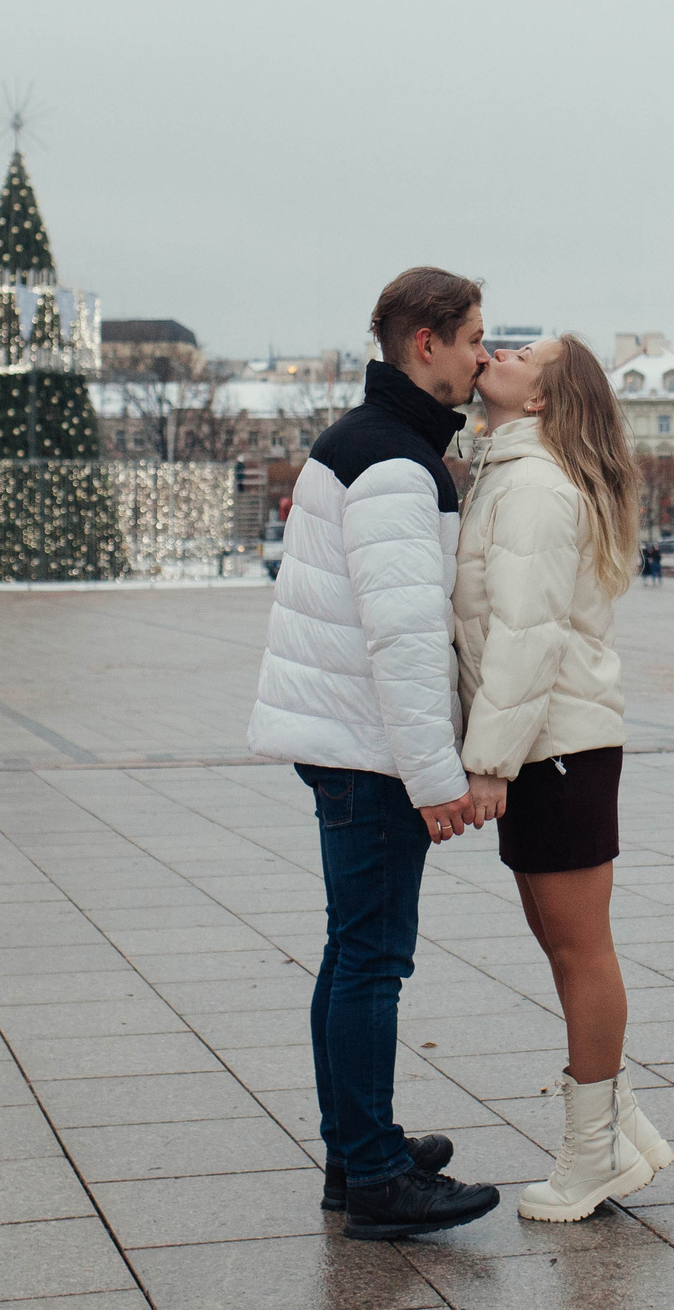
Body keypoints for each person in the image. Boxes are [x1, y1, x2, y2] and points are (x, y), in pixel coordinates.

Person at [248, 267, 501, 1241]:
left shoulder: (360, 441)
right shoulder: (397, 463)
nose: (484, 355)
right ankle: (377, 1180)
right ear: (426, 343)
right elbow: (403, 641)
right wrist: (436, 779)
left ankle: (356, 1149)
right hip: (370, 749)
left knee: (349, 952)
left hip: (345, 739)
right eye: (475, 337)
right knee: (370, 961)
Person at [454, 334, 672, 1220]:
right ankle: (617, 1123)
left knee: (581, 949)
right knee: (560, 941)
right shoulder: (515, 466)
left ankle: (591, 1157)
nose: (494, 352)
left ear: (541, 401)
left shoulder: (537, 487)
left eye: (516, 355)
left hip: (557, 747)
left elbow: (527, 635)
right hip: (552, 744)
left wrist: (488, 765)